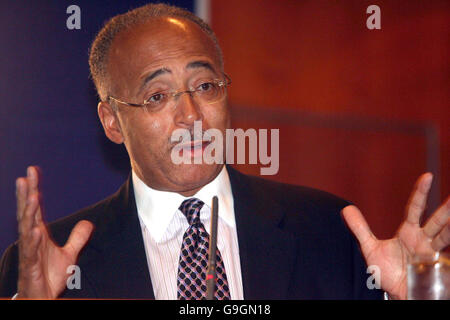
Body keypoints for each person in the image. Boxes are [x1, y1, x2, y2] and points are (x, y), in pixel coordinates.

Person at [0, 3, 448, 300]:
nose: (192, 115)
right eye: (157, 96)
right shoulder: (49, 264)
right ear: (112, 122)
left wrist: (415, 295)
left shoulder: (331, 234)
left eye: (205, 86)